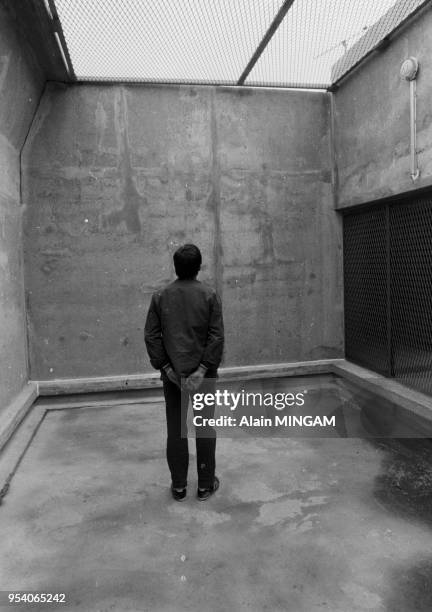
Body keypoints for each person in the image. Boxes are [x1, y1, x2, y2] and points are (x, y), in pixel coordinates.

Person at [144, 244, 224, 501]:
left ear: (175, 267)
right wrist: (201, 370)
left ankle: (179, 486)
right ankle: (204, 485)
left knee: (176, 428)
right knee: (204, 427)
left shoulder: (160, 296)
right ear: (199, 267)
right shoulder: (209, 296)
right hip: (204, 376)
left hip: (173, 377)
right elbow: (216, 336)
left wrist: (166, 368)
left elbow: (151, 335)